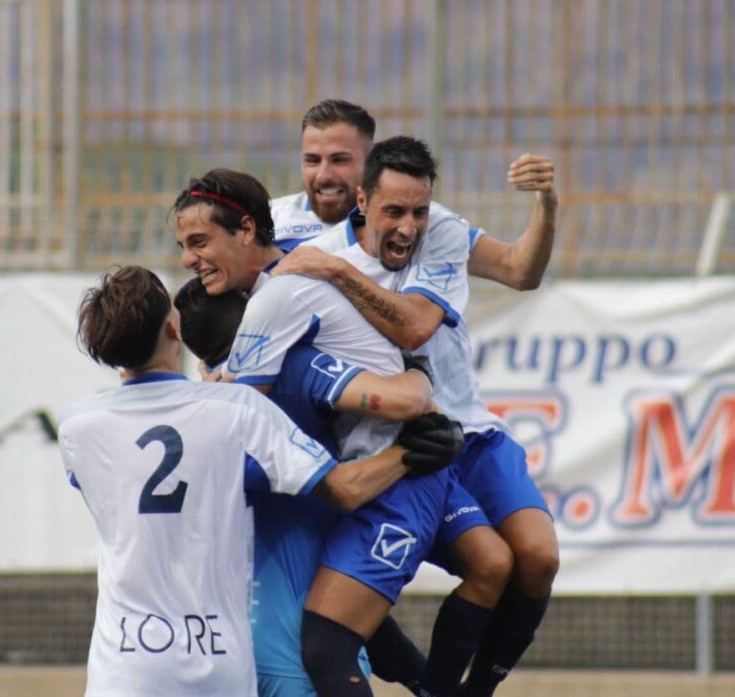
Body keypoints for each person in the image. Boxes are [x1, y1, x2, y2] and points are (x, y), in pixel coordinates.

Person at [173, 171, 515, 697]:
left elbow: (389, 419)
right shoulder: (277, 296)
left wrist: (417, 395)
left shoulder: (294, 332)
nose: (188, 259)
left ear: (245, 230)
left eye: (198, 243)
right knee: (487, 564)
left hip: (392, 474)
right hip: (385, 467)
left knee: (330, 637)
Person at [57, 265, 457, 696]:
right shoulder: (235, 409)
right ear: (174, 330)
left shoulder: (78, 426)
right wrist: (410, 452)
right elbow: (346, 489)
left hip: (123, 668)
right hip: (217, 665)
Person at [274, 136, 560, 696]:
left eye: (419, 211)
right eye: (315, 159)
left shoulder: (440, 233)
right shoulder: (301, 249)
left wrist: (548, 203)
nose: (409, 226)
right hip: (401, 452)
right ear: (364, 199)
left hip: (467, 434)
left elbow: (514, 275)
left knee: (538, 556)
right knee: (489, 565)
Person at [272, 98, 557, 292]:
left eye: (339, 160)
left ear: (371, 162)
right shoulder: (271, 221)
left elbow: (519, 270)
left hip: (431, 383)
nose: (324, 175)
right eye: (312, 160)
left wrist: (546, 201)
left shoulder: (427, 223)